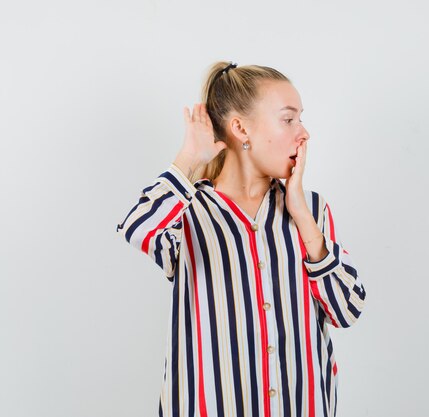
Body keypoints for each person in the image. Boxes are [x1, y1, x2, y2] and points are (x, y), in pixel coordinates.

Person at [115, 61, 367, 417]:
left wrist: (303, 220)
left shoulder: (311, 209)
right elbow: (137, 228)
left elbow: (347, 310)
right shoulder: (187, 210)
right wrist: (189, 158)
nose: (304, 133)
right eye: (288, 119)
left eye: (301, 119)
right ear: (240, 128)